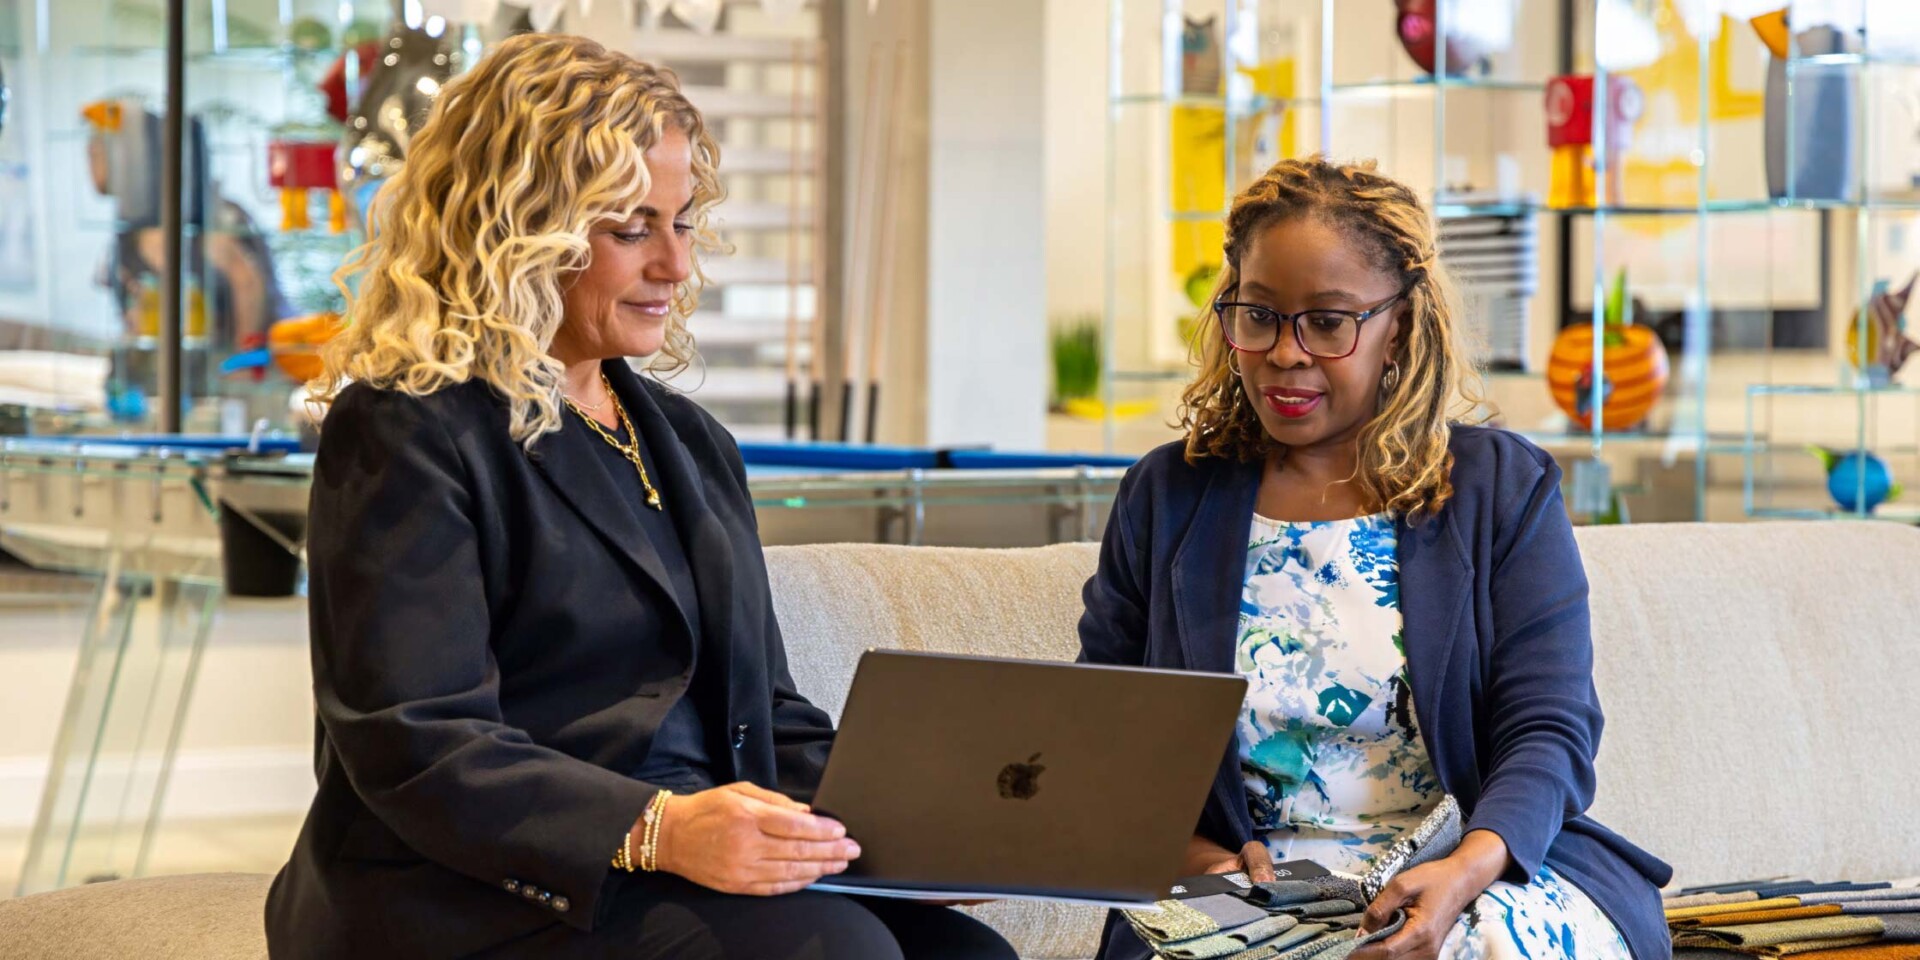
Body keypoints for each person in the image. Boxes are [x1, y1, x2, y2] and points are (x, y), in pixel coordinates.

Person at [263, 33, 1016, 960]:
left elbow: (767, 717)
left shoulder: (693, 444)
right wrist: (662, 829)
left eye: (684, 222)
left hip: (677, 863)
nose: (675, 265)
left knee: (972, 955)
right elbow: (417, 742)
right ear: (518, 229)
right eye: (631, 229)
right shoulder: (407, 427)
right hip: (472, 890)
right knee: (834, 951)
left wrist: (917, 832)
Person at [1077, 157, 1671, 960]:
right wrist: (1197, 860)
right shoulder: (1168, 496)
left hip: (1477, 877)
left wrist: (1467, 869)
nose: (1286, 354)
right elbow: (1104, 736)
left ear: (1399, 324)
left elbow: (1550, 731)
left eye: (1328, 322)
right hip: (1236, 900)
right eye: (1259, 316)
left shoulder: (1499, 489)